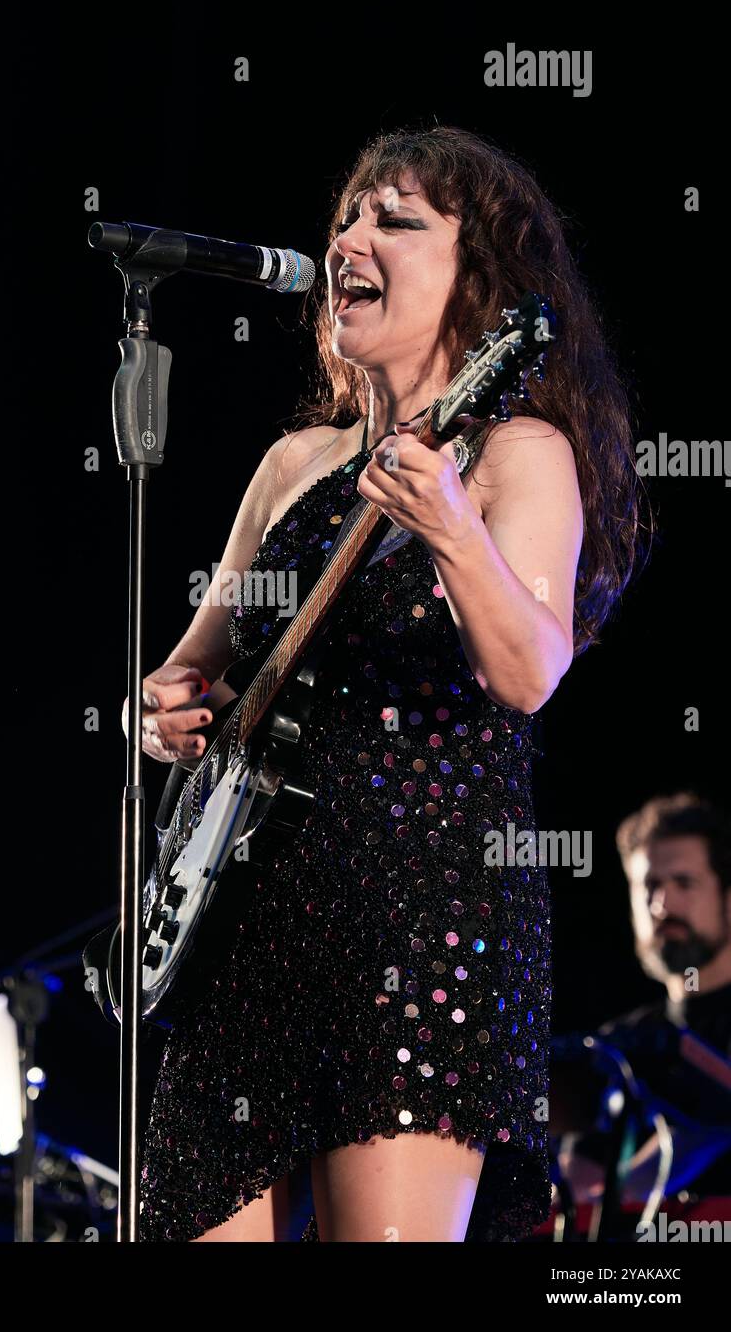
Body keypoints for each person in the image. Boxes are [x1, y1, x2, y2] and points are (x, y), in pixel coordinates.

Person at [125, 125, 648, 1241]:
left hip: (417, 919)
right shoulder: (290, 465)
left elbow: (529, 670)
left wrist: (453, 531)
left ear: (482, 279)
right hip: (244, 927)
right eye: (349, 217)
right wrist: (158, 708)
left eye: (397, 220)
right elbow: (190, 664)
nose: (352, 236)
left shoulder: (518, 450)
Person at [559, 794, 731, 1209]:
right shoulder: (617, 1044)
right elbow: (577, 1190)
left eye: (684, 883)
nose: (662, 904)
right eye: (649, 885)